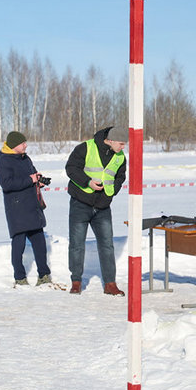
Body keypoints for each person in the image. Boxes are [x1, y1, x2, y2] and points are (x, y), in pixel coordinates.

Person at [66, 125, 127, 295]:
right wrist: (88, 182)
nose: (123, 148)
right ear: (111, 140)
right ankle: (76, 281)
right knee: (77, 244)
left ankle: (110, 284)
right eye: (121, 144)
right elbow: (71, 169)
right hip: (81, 203)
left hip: (103, 206)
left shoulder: (120, 156)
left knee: (107, 245)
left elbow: (121, 176)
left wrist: (113, 189)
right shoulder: (85, 148)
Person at [0, 131, 52, 287]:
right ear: (14, 146)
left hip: (32, 205)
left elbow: (31, 174)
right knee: (18, 243)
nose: (26, 145)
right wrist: (30, 179)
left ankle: (44, 275)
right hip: (17, 208)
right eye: (23, 143)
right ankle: (19, 277)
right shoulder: (3, 162)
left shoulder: (25, 158)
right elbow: (7, 184)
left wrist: (38, 181)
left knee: (40, 242)